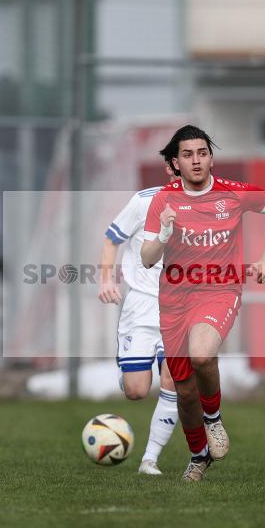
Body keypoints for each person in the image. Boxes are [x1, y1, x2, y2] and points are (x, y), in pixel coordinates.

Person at [141, 125, 265, 482]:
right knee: (185, 391)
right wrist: (162, 235)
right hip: (174, 299)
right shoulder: (164, 200)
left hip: (220, 291)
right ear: (175, 162)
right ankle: (198, 456)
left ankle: (214, 418)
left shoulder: (233, 194)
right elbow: (147, 258)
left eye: (202, 153)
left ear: (211, 158)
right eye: (187, 155)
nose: (196, 161)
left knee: (202, 354)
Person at [98, 164, 179, 475]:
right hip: (142, 306)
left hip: (179, 308)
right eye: (181, 160)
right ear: (171, 167)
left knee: (172, 379)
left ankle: (150, 459)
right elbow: (111, 239)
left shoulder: (208, 207)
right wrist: (106, 280)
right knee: (136, 391)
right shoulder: (144, 201)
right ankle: (128, 373)